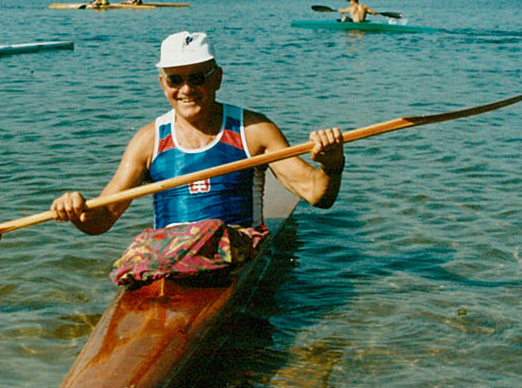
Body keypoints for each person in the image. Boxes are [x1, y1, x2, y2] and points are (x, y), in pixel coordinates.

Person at [51, 31, 345, 282]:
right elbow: (101, 221)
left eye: (197, 78)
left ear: (217, 78)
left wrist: (331, 164)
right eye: (175, 79)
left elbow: (317, 193)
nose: (187, 89)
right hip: (169, 260)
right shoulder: (147, 141)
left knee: (211, 232)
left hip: (234, 254)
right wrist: (76, 212)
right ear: (162, 83)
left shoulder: (254, 131)